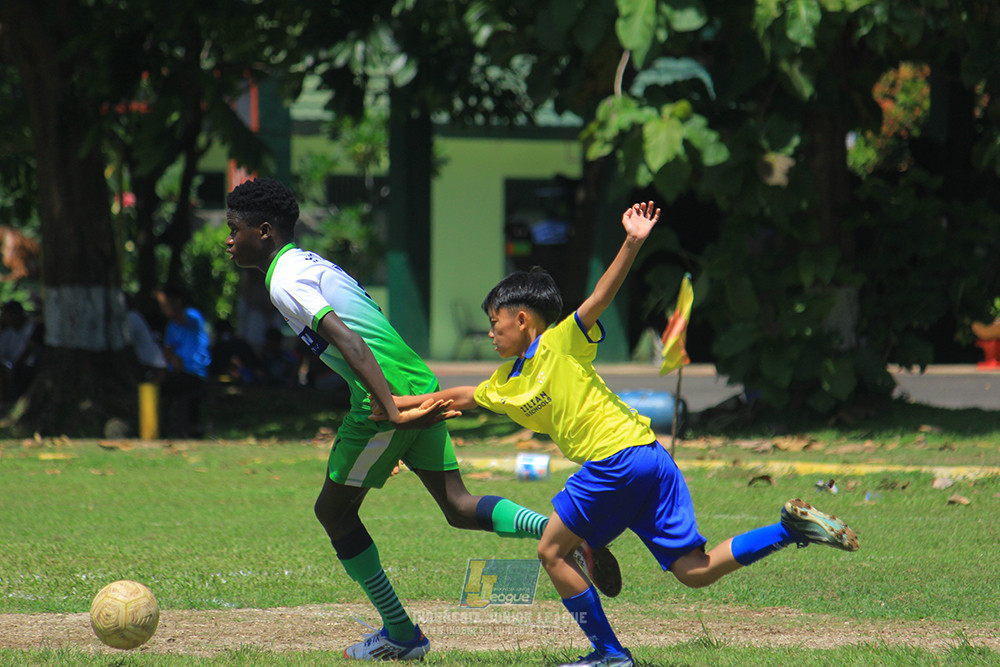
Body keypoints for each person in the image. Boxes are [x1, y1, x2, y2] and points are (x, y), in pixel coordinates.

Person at [384, 201, 860, 667]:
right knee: (695, 571)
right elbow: (456, 398)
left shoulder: (558, 344)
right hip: (650, 458)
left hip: (617, 460)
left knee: (551, 551)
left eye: (495, 323)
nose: (491, 333)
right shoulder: (506, 382)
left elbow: (598, 299)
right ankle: (788, 529)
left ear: (522, 319)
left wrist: (632, 241)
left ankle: (609, 654)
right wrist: (388, 402)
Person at [223, 177, 619, 661]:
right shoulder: (310, 263)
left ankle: (401, 633)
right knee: (457, 505)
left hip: (385, 397)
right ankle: (560, 531)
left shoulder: (285, 278)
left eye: (233, 229)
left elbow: (352, 343)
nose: (227, 239)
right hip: (415, 380)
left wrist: (390, 412)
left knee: (332, 511)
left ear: (263, 231)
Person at [156, 286, 212, 437]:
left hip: (194, 372)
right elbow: (167, 348)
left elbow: (178, 316)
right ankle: (163, 429)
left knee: (184, 390)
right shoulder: (172, 325)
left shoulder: (193, 316)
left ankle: (188, 429)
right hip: (177, 371)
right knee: (157, 385)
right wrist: (173, 358)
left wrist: (164, 302)